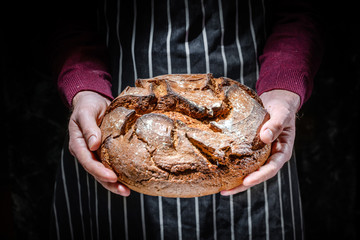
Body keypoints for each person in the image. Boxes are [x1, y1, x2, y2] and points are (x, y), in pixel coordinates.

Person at [50, 0, 323, 239]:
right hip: (110, 121)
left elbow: (301, 10)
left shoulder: (260, 124)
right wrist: (84, 86)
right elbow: (67, 13)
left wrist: (283, 87)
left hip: (254, 122)